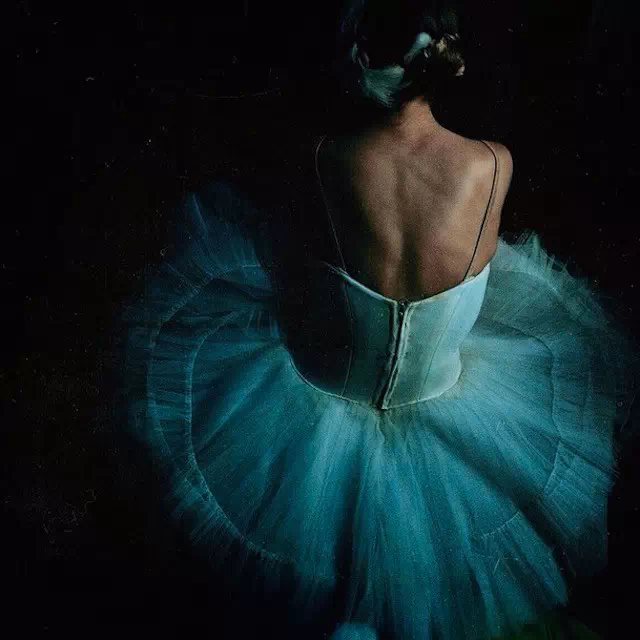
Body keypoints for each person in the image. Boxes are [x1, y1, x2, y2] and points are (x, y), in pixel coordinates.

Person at [116, 1, 638, 638]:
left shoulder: (323, 158)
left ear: (361, 59)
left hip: (320, 416)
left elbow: (298, 276)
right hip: (439, 402)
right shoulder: (493, 162)